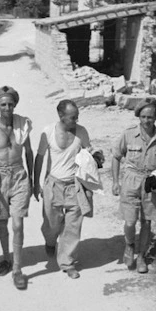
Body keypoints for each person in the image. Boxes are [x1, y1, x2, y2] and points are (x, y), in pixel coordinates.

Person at [33, 99, 94, 279]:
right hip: (54, 184)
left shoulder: (81, 132)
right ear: (61, 116)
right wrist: (36, 183)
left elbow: (88, 155)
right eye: (72, 118)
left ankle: (67, 262)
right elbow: (39, 157)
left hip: (75, 186)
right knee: (51, 224)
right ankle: (51, 241)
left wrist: (96, 159)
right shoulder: (48, 131)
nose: (76, 121)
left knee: (73, 226)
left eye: (77, 117)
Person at [0, 86, 34, 290]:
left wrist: (34, 181)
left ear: (15, 104)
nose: (7, 108)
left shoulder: (23, 125)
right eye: (3, 104)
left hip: (19, 175)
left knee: (18, 224)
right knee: (2, 222)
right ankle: (6, 258)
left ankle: (18, 270)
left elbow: (28, 153)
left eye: (11, 104)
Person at [112, 97, 156, 274]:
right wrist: (116, 182)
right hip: (131, 180)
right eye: (144, 117)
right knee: (130, 221)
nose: (147, 121)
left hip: (150, 183)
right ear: (139, 117)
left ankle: (142, 257)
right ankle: (130, 245)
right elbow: (116, 156)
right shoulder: (129, 134)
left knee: (146, 222)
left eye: (151, 117)